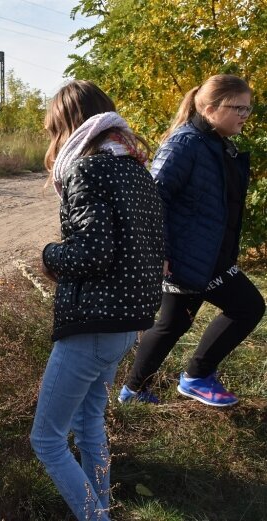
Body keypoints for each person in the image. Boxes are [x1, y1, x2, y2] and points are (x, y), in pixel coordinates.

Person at [30, 80, 163, 521]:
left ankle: (95, 516)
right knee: (89, 425)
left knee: (46, 440)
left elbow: (92, 252)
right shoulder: (135, 166)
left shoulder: (87, 169)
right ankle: (101, 508)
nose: (55, 142)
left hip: (93, 322)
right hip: (127, 321)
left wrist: (49, 255)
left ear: (71, 125)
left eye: (55, 131)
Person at [119, 74, 265, 407]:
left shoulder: (214, 143)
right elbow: (154, 196)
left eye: (249, 108)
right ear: (212, 107)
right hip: (190, 255)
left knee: (173, 322)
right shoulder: (186, 143)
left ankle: (133, 391)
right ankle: (197, 376)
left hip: (205, 252)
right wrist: (162, 251)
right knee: (248, 307)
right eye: (238, 107)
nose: (245, 114)